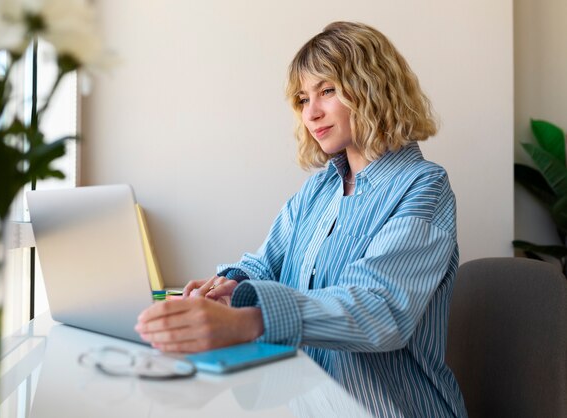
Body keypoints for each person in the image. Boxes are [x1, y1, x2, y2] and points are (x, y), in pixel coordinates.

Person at [135, 21, 467, 417]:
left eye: (327, 90)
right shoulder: (318, 190)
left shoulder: (423, 186)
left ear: (372, 87)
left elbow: (381, 309)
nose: (311, 113)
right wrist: (228, 288)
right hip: (306, 402)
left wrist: (248, 323)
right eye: (301, 99)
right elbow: (263, 264)